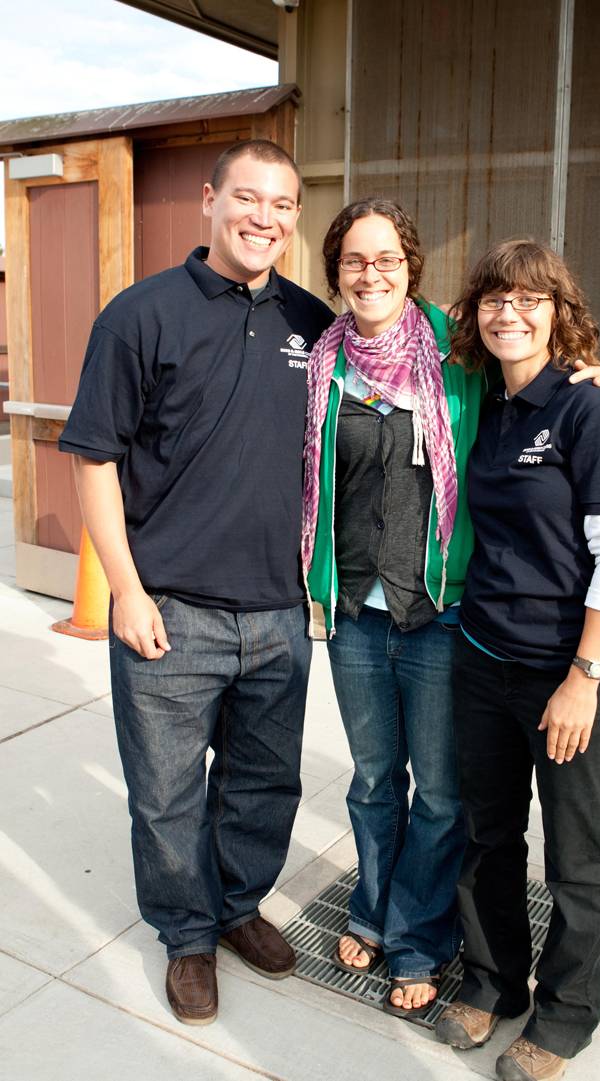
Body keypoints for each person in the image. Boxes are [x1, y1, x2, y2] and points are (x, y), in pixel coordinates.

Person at [301, 204, 600, 1019]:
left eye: (387, 258)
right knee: (375, 781)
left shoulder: (457, 351)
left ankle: (416, 937)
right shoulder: (321, 363)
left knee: (442, 796)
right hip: (357, 614)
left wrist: (591, 373)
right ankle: (372, 910)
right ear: (335, 269)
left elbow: (538, 366)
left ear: (411, 266)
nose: (370, 273)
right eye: (352, 260)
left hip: (442, 613)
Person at [59, 139, 334, 1027]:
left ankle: (238, 905)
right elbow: (94, 461)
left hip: (278, 611)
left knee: (263, 782)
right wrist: (125, 593)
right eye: (247, 198)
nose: (265, 218)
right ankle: (187, 936)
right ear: (208, 203)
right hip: (168, 610)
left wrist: (571, 372)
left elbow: (407, 365)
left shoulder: (311, 322)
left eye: (283, 204)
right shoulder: (140, 315)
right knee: (168, 792)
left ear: (296, 217)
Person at [434, 239, 600, 1081]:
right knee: (488, 836)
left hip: (568, 672)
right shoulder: (485, 395)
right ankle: (491, 980)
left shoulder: (595, 413)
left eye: (529, 299)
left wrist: (584, 679)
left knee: (578, 858)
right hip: (484, 659)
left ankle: (564, 1017)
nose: (508, 313)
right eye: (493, 298)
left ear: (560, 314)